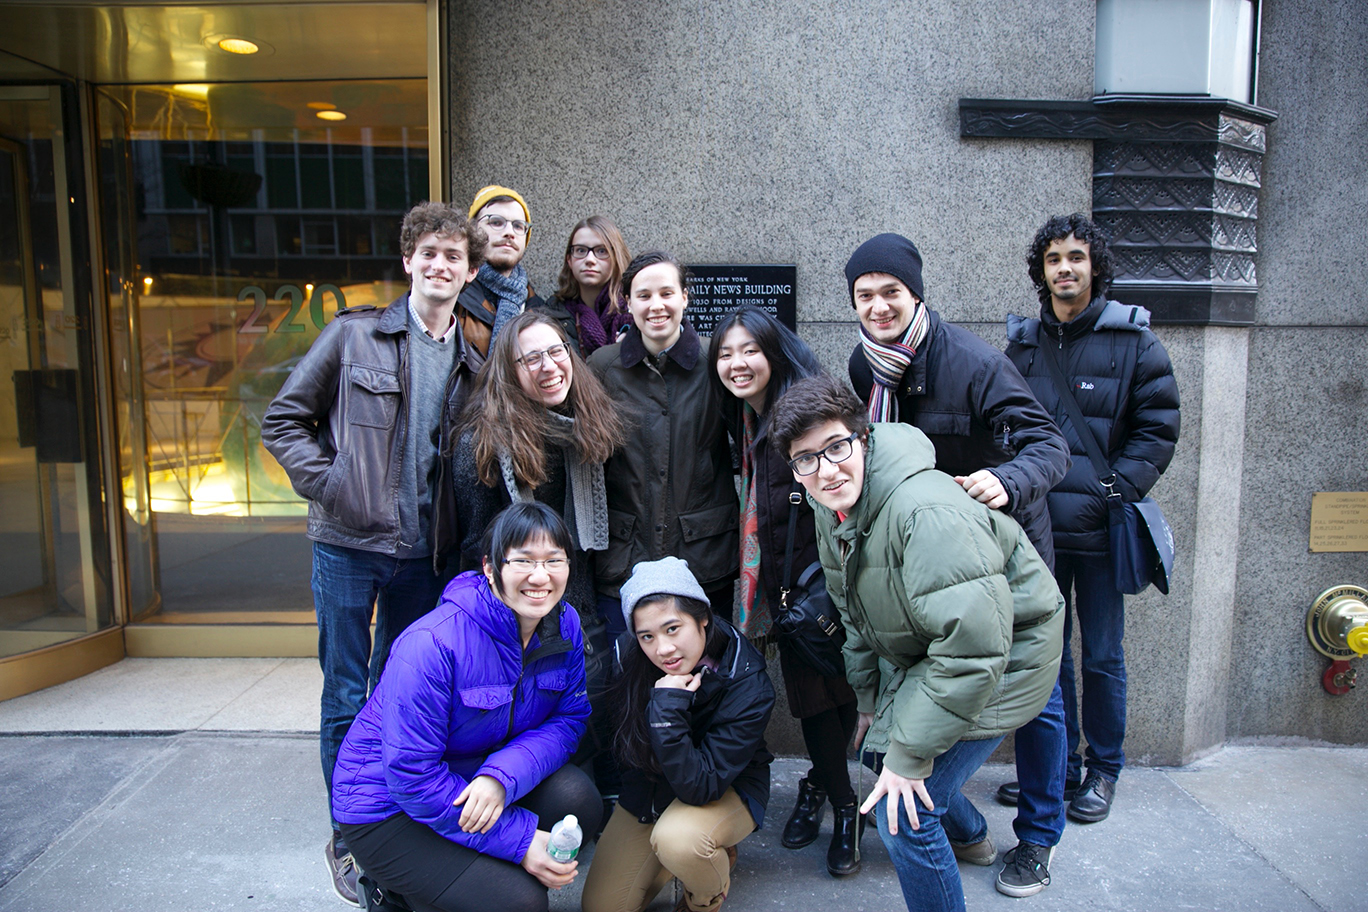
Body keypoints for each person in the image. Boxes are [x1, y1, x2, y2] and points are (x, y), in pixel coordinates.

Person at [768, 375, 1065, 912]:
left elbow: (973, 649)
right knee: (886, 755)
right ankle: (972, 836)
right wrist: (866, 702)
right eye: (805, 459)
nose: (826, 470)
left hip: (1005, 657)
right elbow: (853, 613)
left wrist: (908, 755)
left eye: (836, 447)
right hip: (934, 652)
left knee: (903, 813)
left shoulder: (923, 511)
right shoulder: (830, 503)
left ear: (864, 436)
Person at [262, 201, 486, 905]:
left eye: (454, 256)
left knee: (401, 697)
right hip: (348, 546)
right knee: (344, 693)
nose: (440, 265)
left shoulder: (472, 364)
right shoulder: (352, 337)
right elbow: (283, 419)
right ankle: (346, 834)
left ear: (470, 271)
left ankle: (388, 819)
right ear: (409, 261)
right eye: (429, 252)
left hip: (425, 559)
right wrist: (332, 487)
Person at [844, 232, 1071, 898]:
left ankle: (1038, 837)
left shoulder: (973, 362)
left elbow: (1047, 443)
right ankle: (962, 825)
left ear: (916, 293)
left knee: (1041, 696)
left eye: (892, 292)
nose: (880, 305)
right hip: (928, 557)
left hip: (1006, 551)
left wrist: (1008, 478)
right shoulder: (867, 367)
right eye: (866, 295)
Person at [331, 502, 603, 912]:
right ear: (491, 569)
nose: (540, 576)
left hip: (474, 776)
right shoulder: (432, 644)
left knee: (578, 799)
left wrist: (502, 776)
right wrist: (521, 840)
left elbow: (569, 720)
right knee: (520, 903)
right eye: (523, 561)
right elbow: (411, 777)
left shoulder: (564, 625)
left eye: (553, 561)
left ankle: (460, 882)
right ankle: (393, 893)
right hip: (387, 805)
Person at [1001, 213, 1180, 825]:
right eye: (1054, 259)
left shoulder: (1135, 342)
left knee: (1102, 655)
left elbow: (1159, 429)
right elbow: (1001, 428)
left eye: (1076, 257)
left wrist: (1114, 488)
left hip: (1102, 531)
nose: (1065, 268)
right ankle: (1061, 768)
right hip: (1039, 532)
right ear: (1041, 271)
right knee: (1051, 657)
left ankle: (1104, 769)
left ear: (1094, 266)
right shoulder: (1023, 344)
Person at [707, 306, 862, 876]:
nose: (737, 363)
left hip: (831, 584)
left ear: (774, 350)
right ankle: (824, 786)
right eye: (724, 353)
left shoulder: (804, 410)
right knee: (821, 702)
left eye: (749, 350)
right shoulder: (745, 417)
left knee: (833, 700)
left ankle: (843, 808)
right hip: (788, 592)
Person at [450, 309, 626, 782]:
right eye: (531, 359)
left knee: (586, 733)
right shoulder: (483, 442)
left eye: (556, 351)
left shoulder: (586, 424)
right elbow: (477, 547)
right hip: (515, 622)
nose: (549, 366)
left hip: (580, 609)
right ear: (510, 373)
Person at [581, 557, 775, 912]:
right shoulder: (628, 657)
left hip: (724, 786)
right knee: (602, 907)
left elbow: (701, 787)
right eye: (647, 636)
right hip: (654, 786)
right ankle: (679, 856)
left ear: (703, 618)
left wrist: (667, 708)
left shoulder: (746, 679)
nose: (663, 649)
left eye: (673, 629)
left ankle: (703, 896)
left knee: (680, 840)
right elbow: (624, 748)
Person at [588, 251, 739, 639]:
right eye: (644, 295)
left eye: (667, 293)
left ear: (685, 297)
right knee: (626, 682)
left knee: (704, 677)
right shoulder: (603, 368)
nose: (656, 305)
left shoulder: (716, 363)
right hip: (624, 557)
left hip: (702, 555)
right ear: (627, 302)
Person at [458, 185, 553, 358]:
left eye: (518, 226)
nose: (509, 232)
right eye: (495, 222)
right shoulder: (453, 299)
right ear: (473, 231)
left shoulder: (539, 309)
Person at [543, 215, 635, 354]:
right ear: (569, 259)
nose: (590, 259)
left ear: (616, 257)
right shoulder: (551, 315)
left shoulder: (636, 308)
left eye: (602, 251)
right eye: (581, 250)